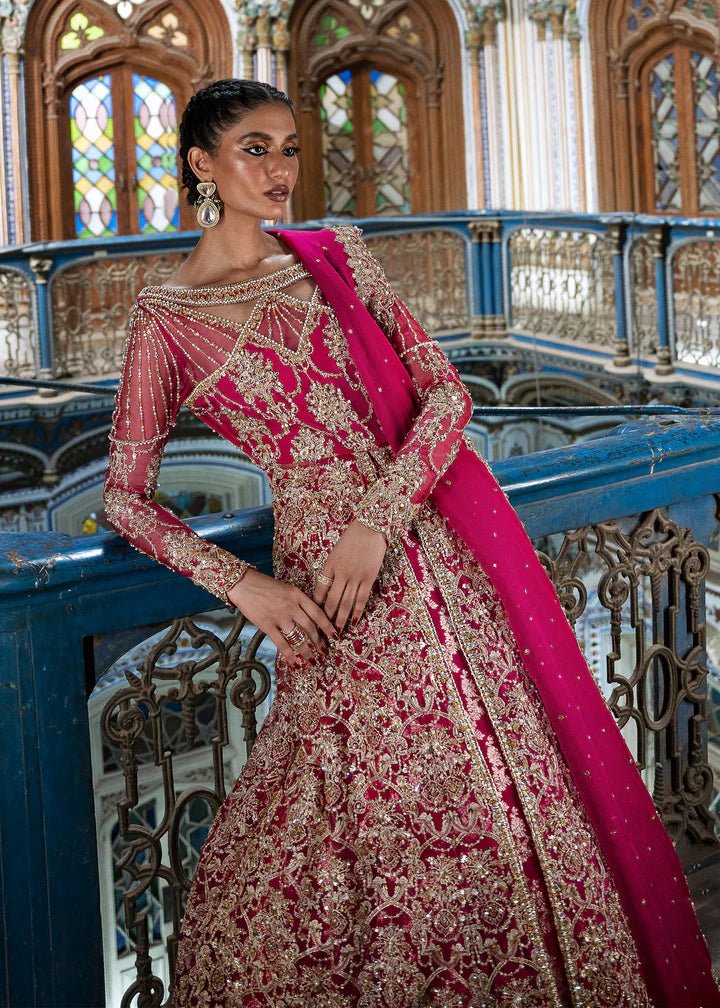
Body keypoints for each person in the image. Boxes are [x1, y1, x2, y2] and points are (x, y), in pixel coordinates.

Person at [104, 79, 720, 1008]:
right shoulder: (166, 321)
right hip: (322, 590)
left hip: (422, 549)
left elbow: (446, 395)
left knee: (498, 796)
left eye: (290, 149)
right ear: (201, 162)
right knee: (357, 818)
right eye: (256, 150)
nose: (281, 171)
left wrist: (374, 523)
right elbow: (125, 500)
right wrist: (249, 589)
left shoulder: (336, 255)